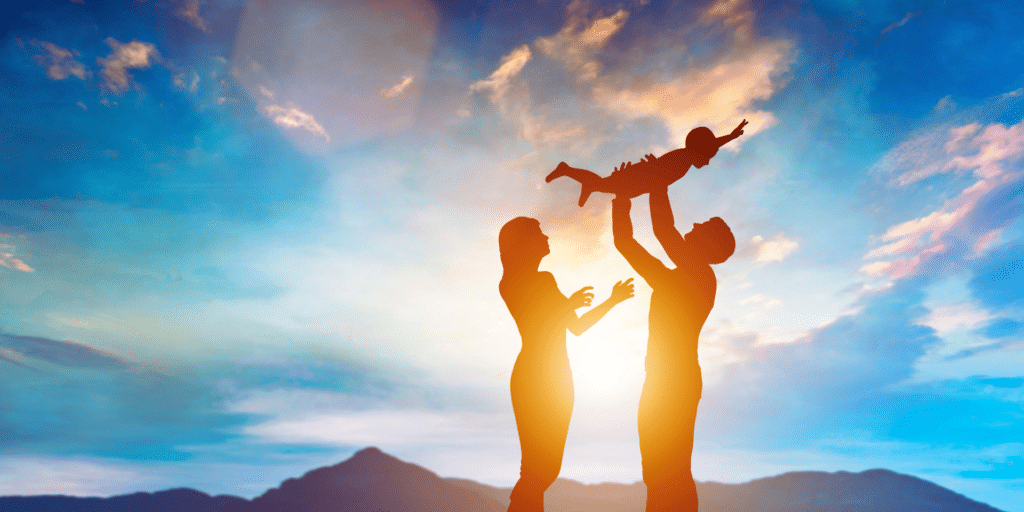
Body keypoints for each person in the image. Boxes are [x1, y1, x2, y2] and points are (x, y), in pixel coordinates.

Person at [498, 216, 634, 512]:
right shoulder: (514, 283)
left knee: (544, 469)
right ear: (523, 244)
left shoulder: (542, 281)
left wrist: (613, 300)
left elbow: (577, 327)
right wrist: (567, 305)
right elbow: (541, 323)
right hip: (537, 375)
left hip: (558, 376)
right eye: (538, 233)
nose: (546, 236)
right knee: (538, 470)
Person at [611, 189, 735, 512]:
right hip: (666, 381)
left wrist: (656, 185)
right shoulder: (680, 279)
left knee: (667, 472)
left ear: (708, 246)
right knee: (662, 472)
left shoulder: (698, 278)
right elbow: (630, 243)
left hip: (673, 383)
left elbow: (662, 232)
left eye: (702, 226)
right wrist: (624, 200)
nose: (693, 224)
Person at [546, 120, 747, 207]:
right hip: (641, 177)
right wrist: (729, 136)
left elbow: (708, 145)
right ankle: (568, 171)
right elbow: (660, 171)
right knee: (606, 186)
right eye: (707, 157)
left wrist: (730, 136)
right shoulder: (685, 157)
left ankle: (581, 180)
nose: (707, 162)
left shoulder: (685, 157)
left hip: (643, 179)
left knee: (606, 186)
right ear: (699, 151)